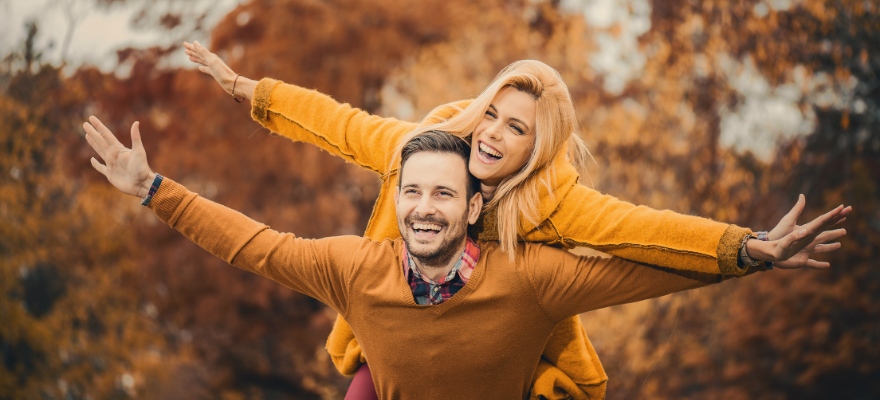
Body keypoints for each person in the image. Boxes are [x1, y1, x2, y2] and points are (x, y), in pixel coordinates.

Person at [183, 41, 850, 399]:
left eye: (518, 129)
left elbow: (650, 229)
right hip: (404, 333)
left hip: (511, 353)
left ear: (539, 147)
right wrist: (251, 91)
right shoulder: (424, 148)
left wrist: (747, 246)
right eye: (494, 114)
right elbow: (338, 124)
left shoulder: (553, 202)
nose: (495, 135)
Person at [83, 120, 848, 399]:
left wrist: (749, 251)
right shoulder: (358, 268)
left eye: (442, 195)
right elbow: (252, 244)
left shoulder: (532, 282)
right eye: (411, 192)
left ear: (474, 206)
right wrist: (150, 187)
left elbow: (644, 263)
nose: (422, 208)